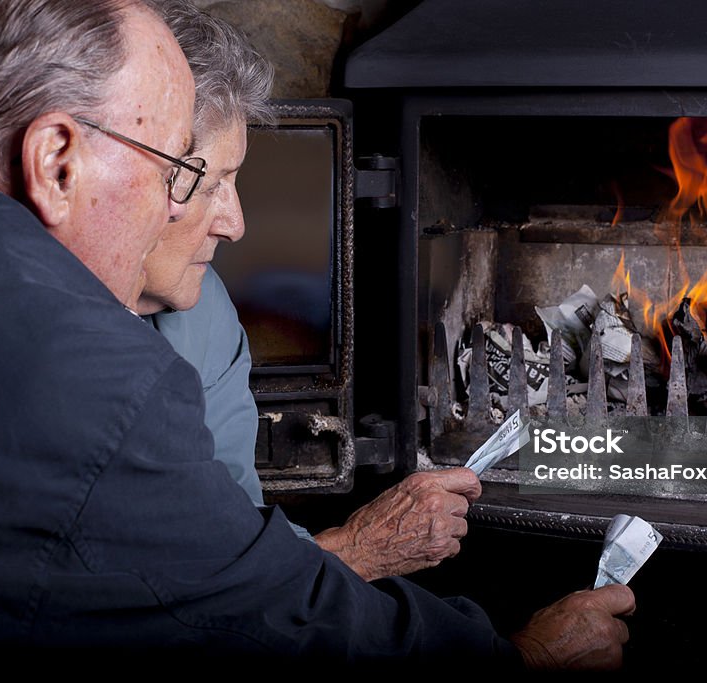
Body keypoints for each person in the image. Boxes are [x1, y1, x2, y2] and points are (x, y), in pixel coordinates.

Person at [0, 0, 634, 668]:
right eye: (182, 173)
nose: (229, 221)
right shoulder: (83, 373)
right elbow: (256, 617)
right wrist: (518, 658)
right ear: (57, 161)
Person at [140, 0, 490, 580]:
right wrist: (350, 551)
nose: (236, 224)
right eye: (209, 181)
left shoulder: (205, 314)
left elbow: (230, 527)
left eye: (236, 180)